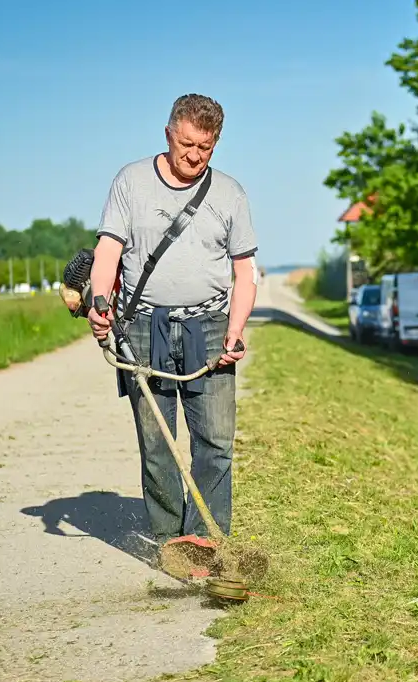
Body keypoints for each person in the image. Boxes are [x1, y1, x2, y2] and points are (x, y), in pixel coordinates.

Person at [86, 93, 259, 563]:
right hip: (146, 326)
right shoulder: (131, 182)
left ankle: (204, 540)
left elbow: (245, 272)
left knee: (216, 442)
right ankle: (169, 542)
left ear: (216, 143)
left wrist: (236, 329)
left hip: (208, 324)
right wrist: (100, 302)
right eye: (186, 144)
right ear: (169, 134)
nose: (194, 155)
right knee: (159, 441)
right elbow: (108, 253)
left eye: (205, 147)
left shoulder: (230, 193)